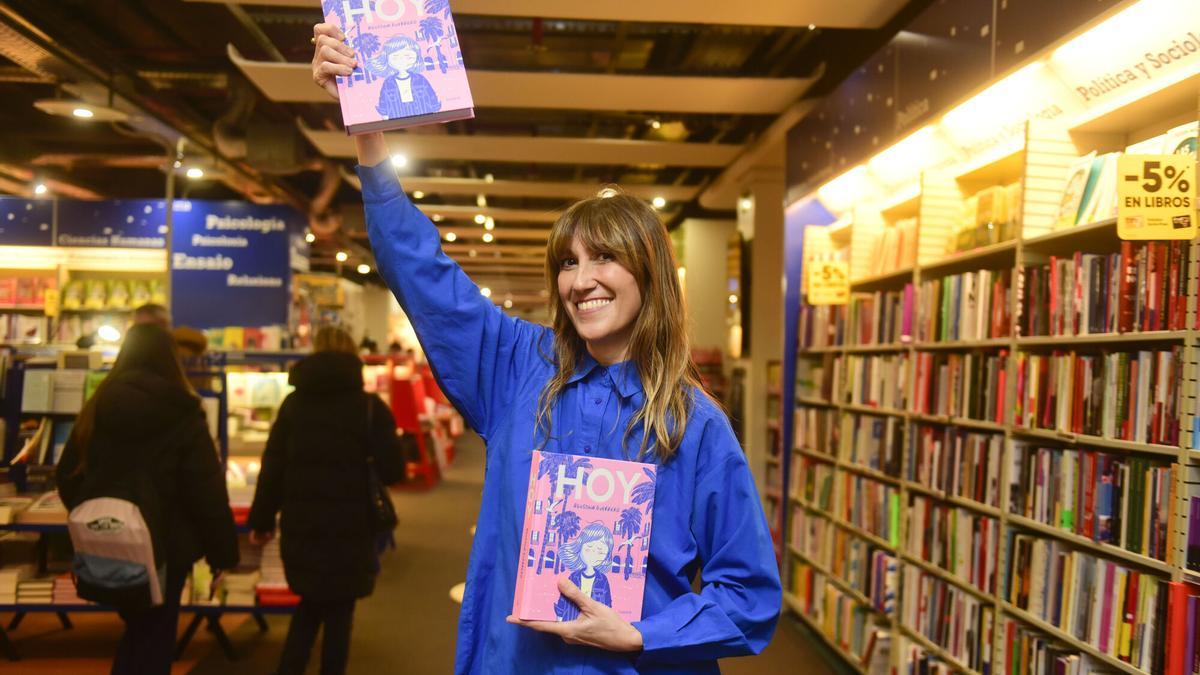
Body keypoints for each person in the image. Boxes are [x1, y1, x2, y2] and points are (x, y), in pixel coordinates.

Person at [312, 22, 782, 674]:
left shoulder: (693, 423)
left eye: (604, 258)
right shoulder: (516, 366)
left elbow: (749, 595)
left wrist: (640, 635)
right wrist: (367, 127)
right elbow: (421, 272)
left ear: (649, 273)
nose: (580, 280)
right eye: (567, 262)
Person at [56, 323, 238, 675]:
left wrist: (97, 512)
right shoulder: (184, 412)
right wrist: (223, 553)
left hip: (109, 543)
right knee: (154, 635)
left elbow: (66, 476)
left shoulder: (97, 406)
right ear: (172, 359)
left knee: (138, 630)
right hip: (167, 546)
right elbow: (206, 492)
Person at [247, 325, 404, 675]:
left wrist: (261, 521)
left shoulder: (293, 406)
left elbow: (272, 470)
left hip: (301, 526)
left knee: (310, 605)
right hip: (352, 529)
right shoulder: (369, 408)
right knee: (339, 613)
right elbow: (393, 471)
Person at [366, 35, 441, 119]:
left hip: (421, 111)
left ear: (416, 57)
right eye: (395, 57)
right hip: (397, 113)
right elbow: (384, 100)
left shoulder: (420, 79)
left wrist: (435, 109)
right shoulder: (389, 82)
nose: (402, 60)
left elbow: (430, 94)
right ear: (387, 59)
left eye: (408, 57)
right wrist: (385, 115)